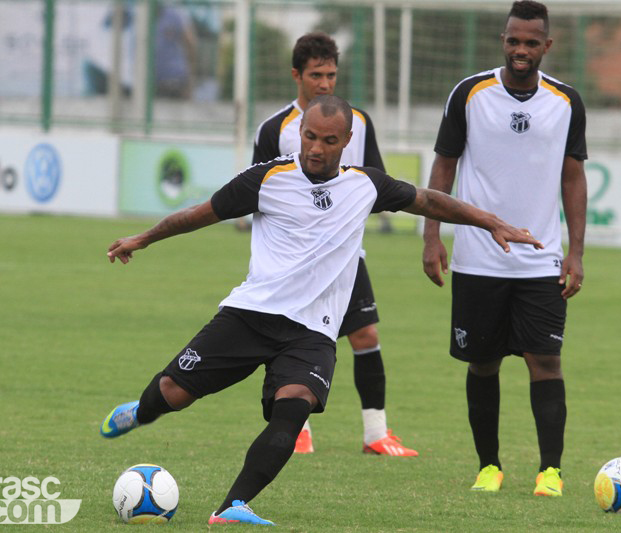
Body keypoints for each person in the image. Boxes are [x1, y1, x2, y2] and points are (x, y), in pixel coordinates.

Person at [101, 95, 542, 526]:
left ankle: (232, 507)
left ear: (346, 140)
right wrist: (143, 238)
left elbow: (428, 200)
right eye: (310, 136)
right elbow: (202, 213)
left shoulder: (365, 185)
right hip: (250, 315)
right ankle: (141, 412)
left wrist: (492, 222)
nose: (316, 148)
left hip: (312, 333)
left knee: (294, 409)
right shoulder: (267, 178)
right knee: (173, 394)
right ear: (300, 131)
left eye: (329, 140)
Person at [422, 0, 587, 497]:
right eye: (513, 40)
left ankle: (550, 472)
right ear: (503, 40)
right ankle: (488, 467)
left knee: (546, 361)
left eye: (531, 42)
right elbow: (444, 167)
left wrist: (576, 252)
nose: (521, 49)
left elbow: (573, 178)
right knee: (483, 362)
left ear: (546, 46)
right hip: (478, 258)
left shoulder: (566, 101)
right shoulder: (469, 94)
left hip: (541, 260)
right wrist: (431, 237)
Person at [250, 31, 409, 456]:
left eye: (331, 75)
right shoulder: (274, 129)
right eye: (316, 75)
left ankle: (376, 434)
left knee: (366, 335)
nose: (324, 83)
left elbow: (377, 185)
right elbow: (258, 195)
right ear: (296, 75)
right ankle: (297, 428)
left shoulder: (358, 122)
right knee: (288, 338)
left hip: (346, 257)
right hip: (292, 262)